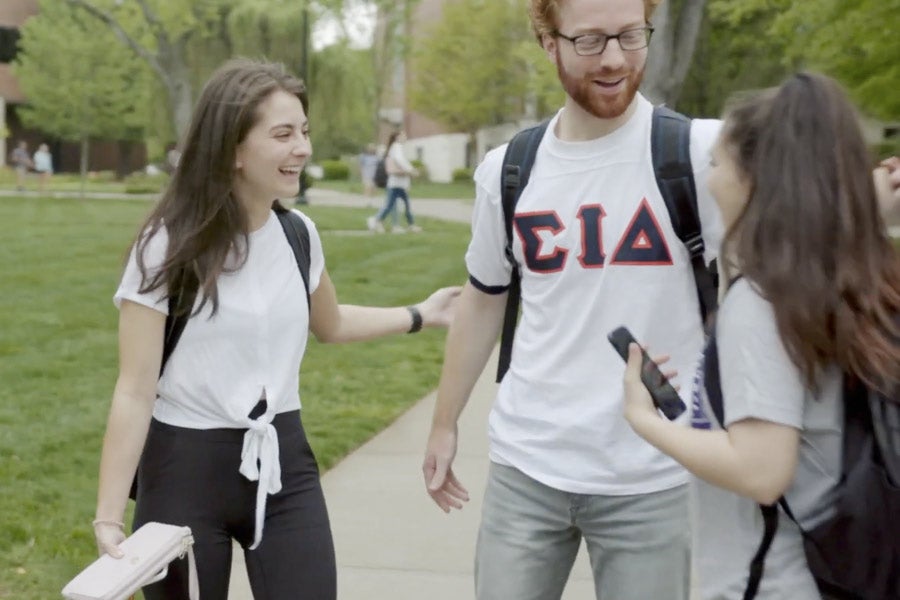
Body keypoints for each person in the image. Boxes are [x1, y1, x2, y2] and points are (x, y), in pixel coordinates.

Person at [91, 58, 459, 600]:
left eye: (304, 131)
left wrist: (421, 314)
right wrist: (107, 514)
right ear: (234, 150)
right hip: (184, 472)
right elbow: (134, 388)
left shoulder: (298, 234)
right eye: (283, 134)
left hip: (283, 463)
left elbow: (330, 324)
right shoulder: (168, 246)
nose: (303, 148)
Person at [421, 0, 723, 598]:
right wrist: (444, 423)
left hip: (653, 473)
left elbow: (790, 255)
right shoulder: (509, 170)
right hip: (527, 466)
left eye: (630, 36)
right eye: (589, 41)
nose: (614, 59)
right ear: (547, 40)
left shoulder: (699, 153)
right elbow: (484, 300)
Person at [622, 73, 900, 598]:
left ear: (753, 179)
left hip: (773, 582)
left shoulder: (763, 303)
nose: (709, 179)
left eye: (718, 163)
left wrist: (643, 421)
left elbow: (761, 471)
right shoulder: (856, 278)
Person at [366, 130, 422, 234]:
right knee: (391, 205)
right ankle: (375, 220)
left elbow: (401, 161)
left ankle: (408, 225)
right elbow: (400, 161)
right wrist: (411, 170)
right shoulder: (397, 147)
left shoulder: (396, 148)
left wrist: (410, 170)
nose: (405, 137)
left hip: (399, 183)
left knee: (401, 204)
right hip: (396, 183)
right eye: (403, 135)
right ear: (398, 137)